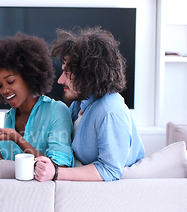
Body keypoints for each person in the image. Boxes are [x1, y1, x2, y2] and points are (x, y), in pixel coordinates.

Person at [34, 27, 145, 182]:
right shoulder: (80, 104)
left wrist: (57, 173)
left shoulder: (110, 112)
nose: (60, 80)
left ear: (89, 74)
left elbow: (110, 170)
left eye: (66, 73)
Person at [0, 32, 74, 168]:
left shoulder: (56, 110)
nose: (4, 90)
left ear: (28, 77)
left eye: (10, 81)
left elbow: (59, 168)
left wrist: (17, 139)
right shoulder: (7, 119)